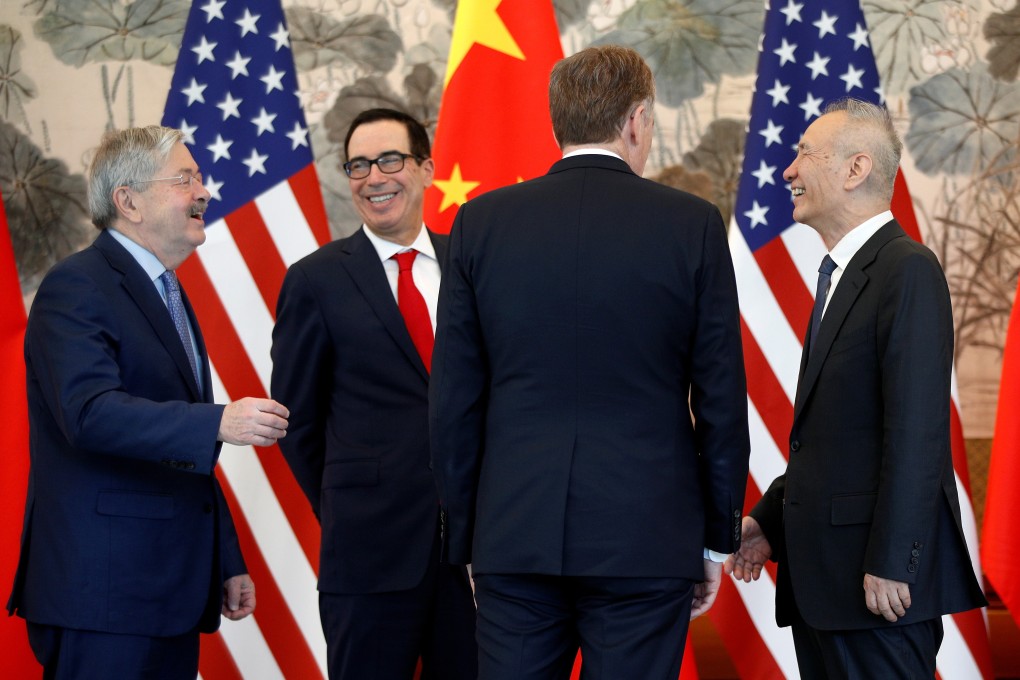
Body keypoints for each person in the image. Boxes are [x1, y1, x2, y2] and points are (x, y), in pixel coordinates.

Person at [429, 45, 750, 680]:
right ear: (637, 120)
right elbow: (719, 397)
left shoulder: (481, 223)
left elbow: (453, 402)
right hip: (645, 541)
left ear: (558, 125)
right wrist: (715, 538)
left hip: (513, 537)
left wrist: (469, 538)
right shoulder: (691, 225)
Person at [6, 126, 290, 678]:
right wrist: (220, 421)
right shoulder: (78, 286)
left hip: (168, 590)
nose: (203, 192)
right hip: (107, 595)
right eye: (185, 179)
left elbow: (176, 452)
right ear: (128, 201)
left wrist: (224, 558)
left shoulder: (169, 293)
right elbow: (88, 414)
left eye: (200, 177)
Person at [725, 98, 987, 678]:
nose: (788, 171)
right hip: (827, 586)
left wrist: (894, 562)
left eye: (803, 155)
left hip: (876, 591)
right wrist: (767, 522)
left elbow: (916, 433)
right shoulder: (840, 277)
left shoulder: (906, 269)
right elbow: (836, 438)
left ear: (855, 168)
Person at [271, 108, 477, 680]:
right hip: (367, 555)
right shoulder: (315, 281)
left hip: (476, 556)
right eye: (358, 166)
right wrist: (351, 501)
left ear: (427, 168)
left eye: (390, 159)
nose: (373, 177)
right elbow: (298, 421)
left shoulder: (471, 267)